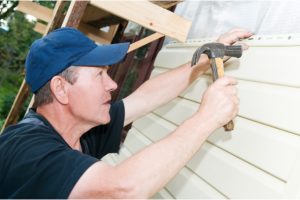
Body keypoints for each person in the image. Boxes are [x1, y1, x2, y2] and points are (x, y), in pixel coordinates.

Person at [0, 27, 252, 198]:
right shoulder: (25, 148)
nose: (112, 84)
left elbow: (144, 98)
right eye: (99, 74)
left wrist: (201, 63)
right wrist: (206, 118)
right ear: (61, 89)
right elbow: (122, 190)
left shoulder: (79, 131)